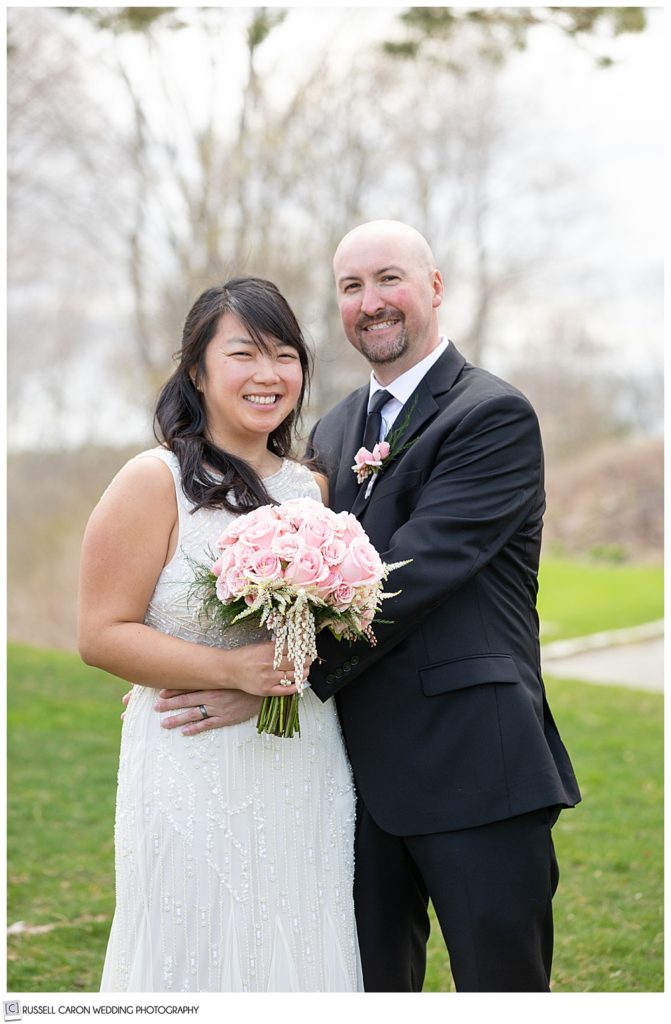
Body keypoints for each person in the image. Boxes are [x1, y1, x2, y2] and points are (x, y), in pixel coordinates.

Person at [167, 221, 581, 992]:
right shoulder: (331, 428)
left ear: (433, 287)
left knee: (502, 991)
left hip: (473, 768)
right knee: (366, 993)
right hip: (351, 783)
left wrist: (267, 677)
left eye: (387, 279)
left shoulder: (490, 415)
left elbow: (410, 575)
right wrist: (195, 647)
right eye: (350, 287)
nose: (370, 302)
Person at [78, 277, 363, 992]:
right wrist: (228, 671)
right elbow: (100, 632)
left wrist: (280, 675)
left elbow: (314, 636)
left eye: (285, 354)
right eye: (244, 354)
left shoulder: (312, 491)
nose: (269, 375)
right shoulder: (155, 479)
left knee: (299, 939)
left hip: (302, 759)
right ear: (198, 372)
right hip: (189, 761)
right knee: (195, 943)